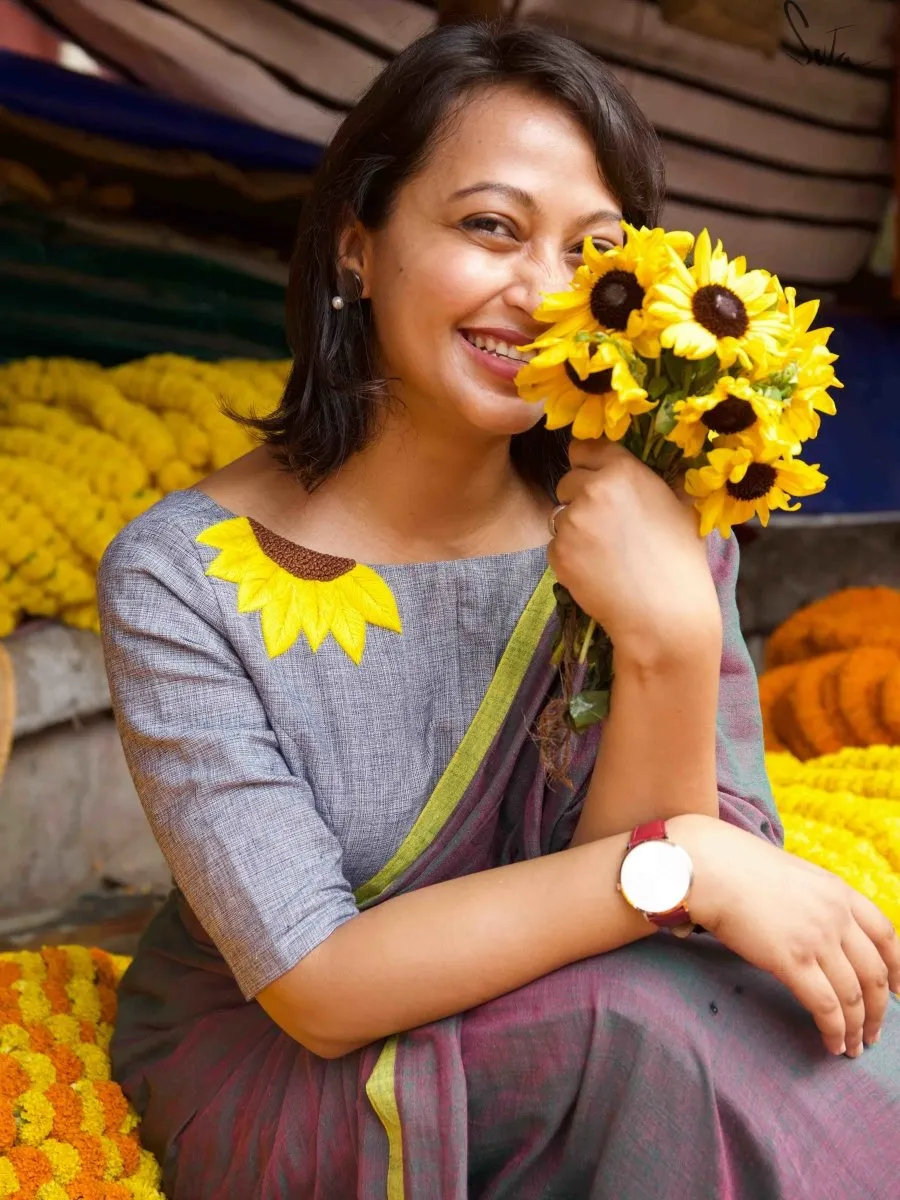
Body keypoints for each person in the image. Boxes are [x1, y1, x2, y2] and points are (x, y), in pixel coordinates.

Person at [97, 21, 900, 1200]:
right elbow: (318, 988)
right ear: (358, 245)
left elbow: (670, 931)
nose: (541, 293)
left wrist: (670, 634)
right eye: (490, 227)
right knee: (651, 1036)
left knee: (808, 1016)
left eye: (595, 252)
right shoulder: (183, 576)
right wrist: (677, 865)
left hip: (599, 1002)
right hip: (295, 1065)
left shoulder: (645, 518)